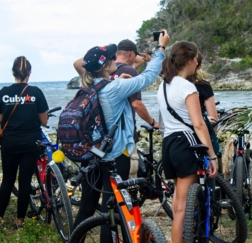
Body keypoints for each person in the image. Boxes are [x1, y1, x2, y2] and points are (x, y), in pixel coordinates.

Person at [71, 30, 170, 239]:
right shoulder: (115, 88)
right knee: (112, 211)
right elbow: (149, 76)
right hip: (116, 156)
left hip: (93, 154)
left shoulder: (91, 88)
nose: (115, 59)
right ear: (106, 65)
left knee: (86, 209)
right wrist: (160, 48)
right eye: (111, 57)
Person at [157, 41, 218, 243]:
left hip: (168, 145)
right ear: (192, 61)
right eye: (196, 59)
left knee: (178, 202)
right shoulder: (187, 86)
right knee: (182, 207)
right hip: (186, 143)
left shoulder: (163, 86)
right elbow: (199, 125)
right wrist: (212, 156)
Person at [0, 56, 49, 230]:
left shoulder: (3, 92)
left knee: (7, 180)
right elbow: (44, 121)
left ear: (13, 72)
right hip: (29, 143)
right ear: (29, 73)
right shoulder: (36, 92)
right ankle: (19, 222)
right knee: (24, 182)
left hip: (9, 143)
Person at [110, 39, 159, 176]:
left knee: (111, 177)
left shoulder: (107, 69)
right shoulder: (128, 70)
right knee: (128, 176)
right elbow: (136, 104)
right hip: (124, 134)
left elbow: (137, 61)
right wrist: (152, 122)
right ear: (131, 54)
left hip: (106, 134)